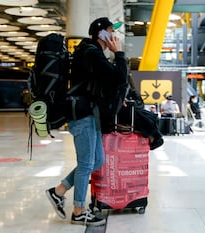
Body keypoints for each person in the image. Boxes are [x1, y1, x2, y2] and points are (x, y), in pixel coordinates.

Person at [45, 17, 127, 226]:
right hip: (83, 116)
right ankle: (79, 210)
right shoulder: (91, 52)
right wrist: (119, 54)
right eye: (110, 30)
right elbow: (118, 77)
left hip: (91, 115)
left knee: (96, 160)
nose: (113, 34)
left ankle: (59, 191)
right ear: (100, 33)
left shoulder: (92, 53)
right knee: (86, 165)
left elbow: (104, 83)